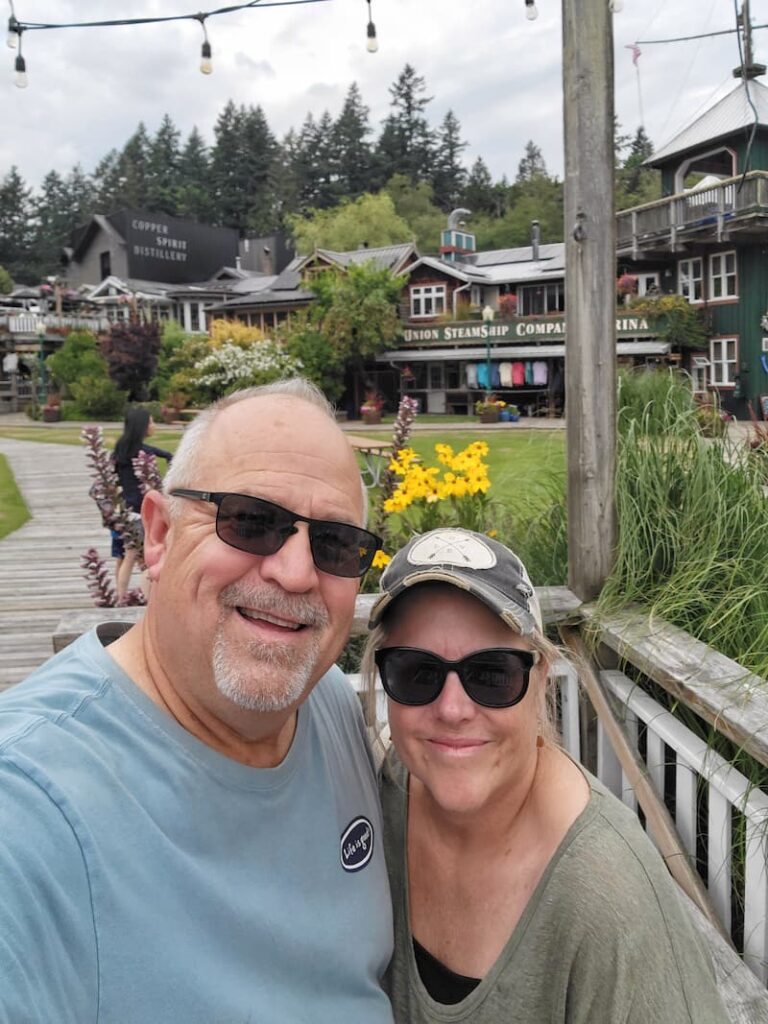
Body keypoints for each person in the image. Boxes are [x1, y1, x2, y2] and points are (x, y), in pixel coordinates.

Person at [0, 379, 394, 1023]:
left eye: (335, 544)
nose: (295, 573)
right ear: (157, 534)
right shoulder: (26, 811)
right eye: (251, 521)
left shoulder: (325, 704)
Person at [363, 527, 729, 1023]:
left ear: (539, 677)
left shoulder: (610, 902)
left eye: (492, 674)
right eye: (417, 672)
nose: (452, 709)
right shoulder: (383, 795)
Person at [111, 405, 173, 601]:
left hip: (124, 511)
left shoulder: (120, 450)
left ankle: (120, 594)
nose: (154, 425)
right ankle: (126, 597)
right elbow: (169, 456)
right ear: (142, 426)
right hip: (139, 512)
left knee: (125, 555)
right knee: (137, 555)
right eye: (151, 421)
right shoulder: (143, 453)